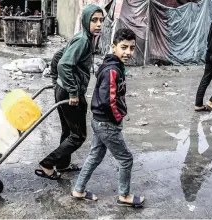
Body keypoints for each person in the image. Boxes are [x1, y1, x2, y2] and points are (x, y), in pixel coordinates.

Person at [70, 28, 145, 207]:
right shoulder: (113, 69)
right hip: (106, 122)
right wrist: (118, 117)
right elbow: (108, 100)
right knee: (126, 159)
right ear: (114, 47)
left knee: (95, 155)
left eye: (132, 48)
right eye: (123, 47)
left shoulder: (114, 65)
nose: (128, 52)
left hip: (99, 120)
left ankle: (78, 190)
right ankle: (124, 196)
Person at [35, 4, 104, 180]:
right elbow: (63, 64)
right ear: (86, 20)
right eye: (94, 20)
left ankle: (62, 164)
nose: (98, 24)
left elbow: (59, 55)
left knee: (68, 131)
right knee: (78, 135)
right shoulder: (83, 40)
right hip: (69, 93)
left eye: (101, 20)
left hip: (64, 89)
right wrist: (73, 92)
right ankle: (47, 164)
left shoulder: (83, 37)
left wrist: (55, 81)